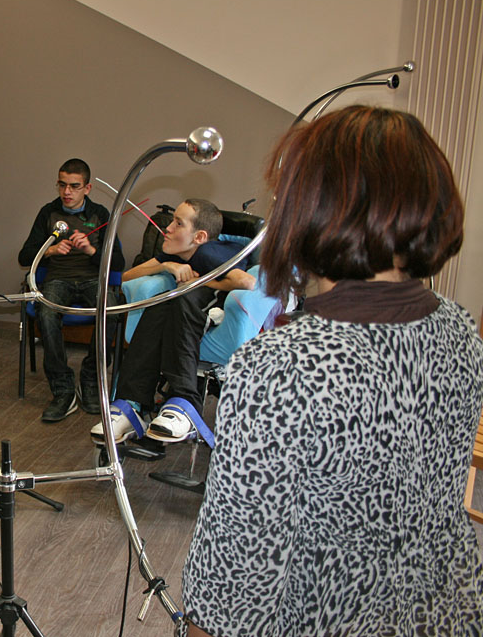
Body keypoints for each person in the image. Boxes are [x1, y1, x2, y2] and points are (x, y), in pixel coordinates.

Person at [180, 106, 483, 636]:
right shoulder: (459, 329)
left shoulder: (281, 367)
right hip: (446, 610)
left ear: (312, 209)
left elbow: (234, 587)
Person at [90, 199, 254, 444]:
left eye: (178, 223)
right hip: (185, 305)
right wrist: (168, 266)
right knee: (160, 303)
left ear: (199, 236)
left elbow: (247, 283)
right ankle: (131, 403)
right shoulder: (174, 253)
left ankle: (185, 403)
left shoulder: (210, 252)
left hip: (217, 310)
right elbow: (126, 275)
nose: (167, 228)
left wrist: (198, 282)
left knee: (181, 299)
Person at [18, 158, 124, 422]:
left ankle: (90, 380)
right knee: (46, 314)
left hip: (92, 279)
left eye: (74, 186)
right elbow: (24, 256)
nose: (67, 192)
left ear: (87, 188)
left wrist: (91, 250)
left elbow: (119, 263)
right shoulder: (48, 213)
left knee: (110, 310)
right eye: (62, 185)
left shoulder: (100, 214)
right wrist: (50, 250)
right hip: (58, 280)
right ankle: (63, 389)